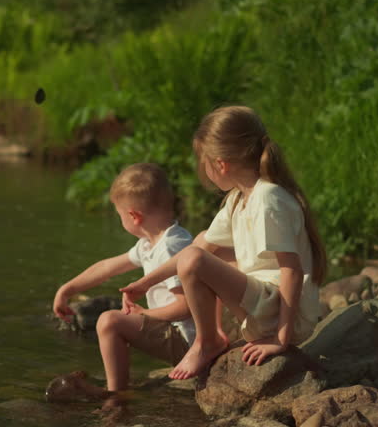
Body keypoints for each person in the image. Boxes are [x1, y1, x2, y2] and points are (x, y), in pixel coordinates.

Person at [120, 105, 326, 379]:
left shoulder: (269, 198)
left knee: (194, 260)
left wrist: (281, 338)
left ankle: (206, 342)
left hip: (282, 314)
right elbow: (199, 249)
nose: (203, 169)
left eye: (204, 161)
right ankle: (214, 333)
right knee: (203, 243)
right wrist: (144, 283)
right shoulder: (239, 199)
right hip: (265, 303)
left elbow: (292, 270)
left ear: (220, 163)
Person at [52, 163, 195, 393]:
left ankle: (115, 394)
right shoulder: (151, 243)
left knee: (110, 322)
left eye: (119, 215)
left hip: (187, 340)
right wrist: (67, 289)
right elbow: (108, 267)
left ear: (134, 216)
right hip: (174, 332)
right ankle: (118, 389)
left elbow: (186, 307)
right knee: (114, 319)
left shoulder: (170, 247)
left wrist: (144, 313)